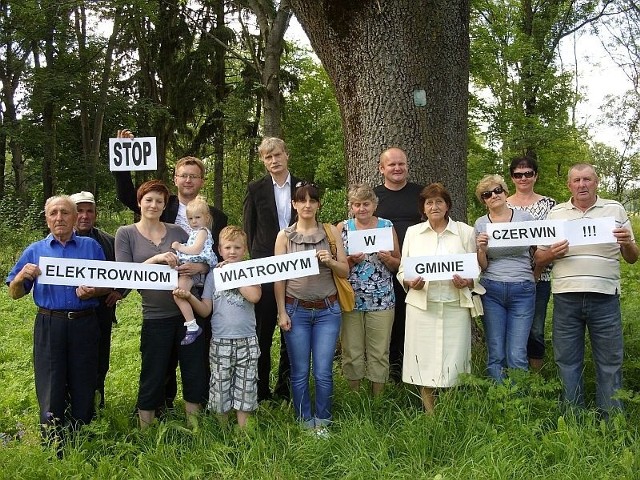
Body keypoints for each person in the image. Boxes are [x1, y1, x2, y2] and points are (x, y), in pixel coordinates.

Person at [114, 128, 227, 410]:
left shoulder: (216, 215)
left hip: (202, 292)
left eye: (194, 175)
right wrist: (123, 155)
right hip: (162, 296)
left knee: (197, 356)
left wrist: (201, 265)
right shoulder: (163, 206)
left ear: (202, 181)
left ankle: (201, 406)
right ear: (175, 179)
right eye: (183, 175)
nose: (188, 180)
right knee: (162, 361)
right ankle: (162, 406)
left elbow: (221, 250)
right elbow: (131, 195)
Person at [535, 163, 638, 414]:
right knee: (567, 360)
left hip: (605, 296)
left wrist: (626, 243)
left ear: (597, 182)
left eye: (587, 179)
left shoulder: (614, 209)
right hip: (566, 296)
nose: (582, 185)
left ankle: (612, 418)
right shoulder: (556, 214)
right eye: (577, 180)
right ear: (569, 185)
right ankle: (572, 417)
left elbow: (633, 257)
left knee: (610, 361)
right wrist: (551, 253)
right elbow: (538, 258)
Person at [6, 195, 107, 444]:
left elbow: (108, 283)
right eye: (54, 213)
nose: (59, 218)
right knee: (50, 379)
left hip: (84, 321)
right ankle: (52, 437)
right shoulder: (35, 250)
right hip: (50, 323)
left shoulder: (90, 247)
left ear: (74, 218)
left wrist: (95, 290)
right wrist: (20, 278)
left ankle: (82, 433)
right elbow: (15, 293)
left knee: (84, 378)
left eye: (65, 213)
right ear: (47, 218)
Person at [115, 180, 207, 428]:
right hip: (155, 316)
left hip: (187, 316)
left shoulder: (178, 232)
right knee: (153, 373)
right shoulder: (126, 233)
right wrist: (156, 258)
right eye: (149, 200)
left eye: (159, 201)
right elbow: (125, 275)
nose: (153, 205)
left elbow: (203, 259)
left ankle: (195, 428)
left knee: (193, 371)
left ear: (165, 205)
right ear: (139, 202)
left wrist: (198, 266)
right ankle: (145, 429)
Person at [397, 183, 480, 412]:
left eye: (439, 202)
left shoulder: (465, 231)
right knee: (425, 361)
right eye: (429, 202)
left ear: (448, 206)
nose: (434, 206)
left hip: (454, 305)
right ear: (423, 208)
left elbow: (476, 269)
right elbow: (403, 270)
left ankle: (450, 410)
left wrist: (468, 281)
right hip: (423, 307)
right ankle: (430, 413)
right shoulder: (414, 233)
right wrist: (409, 282)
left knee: (455, 361)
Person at [274, 182, 349, 432]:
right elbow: (279, 278)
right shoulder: (284, 236)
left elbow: (345, 270)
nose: (307, 205)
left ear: (318, 204)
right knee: (299, 372)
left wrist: (330, 262)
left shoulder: (330, 233)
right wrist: (281, 311)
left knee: (323, 371)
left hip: (328, 310)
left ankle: (324, 420)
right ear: (294, 204)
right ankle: (305, 421)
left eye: (312, 200)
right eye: (302, 200)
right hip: (296, 310)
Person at [173, 226, 261, 428]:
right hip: (221, 340)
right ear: (219, 250)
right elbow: (205, 310)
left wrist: (233, 276)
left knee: (245, 386)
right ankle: (221, 431)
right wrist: (189, 297)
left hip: (247, 340)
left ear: (245, 250)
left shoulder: (250, 270)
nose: (232, 251)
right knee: (220, 386)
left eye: (237, 247)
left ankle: (244, 433)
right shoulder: (213, 275)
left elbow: (255, 296)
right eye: (227, 247)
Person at [243, 137, 301, 402]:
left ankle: (286, 389)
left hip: (296, 262)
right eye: (268, 157)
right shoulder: (255, 189)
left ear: (287, 155)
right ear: (263, 161)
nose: (274, 161)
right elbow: (249, 229)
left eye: (278, 155)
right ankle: (261, 390)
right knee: (263, 330)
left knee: (293, 327)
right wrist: (255, 263)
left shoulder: (303, 186)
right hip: (264, 266)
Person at [337, 184, 400, 396]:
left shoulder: (386, 226)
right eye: (357, 205)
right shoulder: (343, 228)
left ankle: (377, 399)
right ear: (351, 207)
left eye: (366, 204)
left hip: (382, 299)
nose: (362, 208)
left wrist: (388, 259)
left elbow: (398, 263)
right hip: (350, 299)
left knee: (379, 351)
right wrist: (351, 261)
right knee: (352, 351)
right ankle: (354, 396)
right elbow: (337, 266)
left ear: (374, 205)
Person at [475, 174, 536, 382]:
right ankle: (499, 400)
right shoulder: (481, 224)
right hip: (491, 289)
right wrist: (481, 250)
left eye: (497, 190)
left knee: (517, 353)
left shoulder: (525, 219)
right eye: (487, 194)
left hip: (523, 289)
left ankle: (520, 405)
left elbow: (537, 252)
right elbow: (482, 265)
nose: (494, 195)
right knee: (496, 351)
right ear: (483, 200)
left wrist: (533, 277)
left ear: (505, 192)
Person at [70, 191, 128, 408]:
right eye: (79, 211)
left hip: (100, 312)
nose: (84, 216)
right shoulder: (59, 241)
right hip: (68, 315)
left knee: (98, 362)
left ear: (95, 214)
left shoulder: (109, 242)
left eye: (89, 211)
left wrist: (120, 291)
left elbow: (127, 270)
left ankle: (97, 404)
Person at [373, 147, 423, 382]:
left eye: (401, 163)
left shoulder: (420, 194)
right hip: (381, 270)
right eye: (391, 164)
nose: (397, 168)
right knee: (389, 321)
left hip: (415, 268)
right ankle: (392, 371)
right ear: (382, 169)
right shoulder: (374, 197)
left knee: (413, 318)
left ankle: (415, 368)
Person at [506, 156, 557, 371]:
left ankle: (535, 377)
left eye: (528, 173)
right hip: (510, 276)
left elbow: (553, 240)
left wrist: (538, 269)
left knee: (536, 328)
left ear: (535, 175)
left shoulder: (551, 206)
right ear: (512, 178)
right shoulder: (503, 203)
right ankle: (511, 373)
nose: (523, 178)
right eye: (518, 174)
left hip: (541, 276)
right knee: (511, 328)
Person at [171, 196, 215, 346]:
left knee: (178, 294)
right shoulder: (195, 232)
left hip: (197, 269)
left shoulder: (202, 231)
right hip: (192, 269)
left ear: (206, 217)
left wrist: (179, 247)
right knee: (178, 294)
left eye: (197, 217)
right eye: (190, 218)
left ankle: (192, 326)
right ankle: (191, 325)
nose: (194, 221)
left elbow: (196, 250)